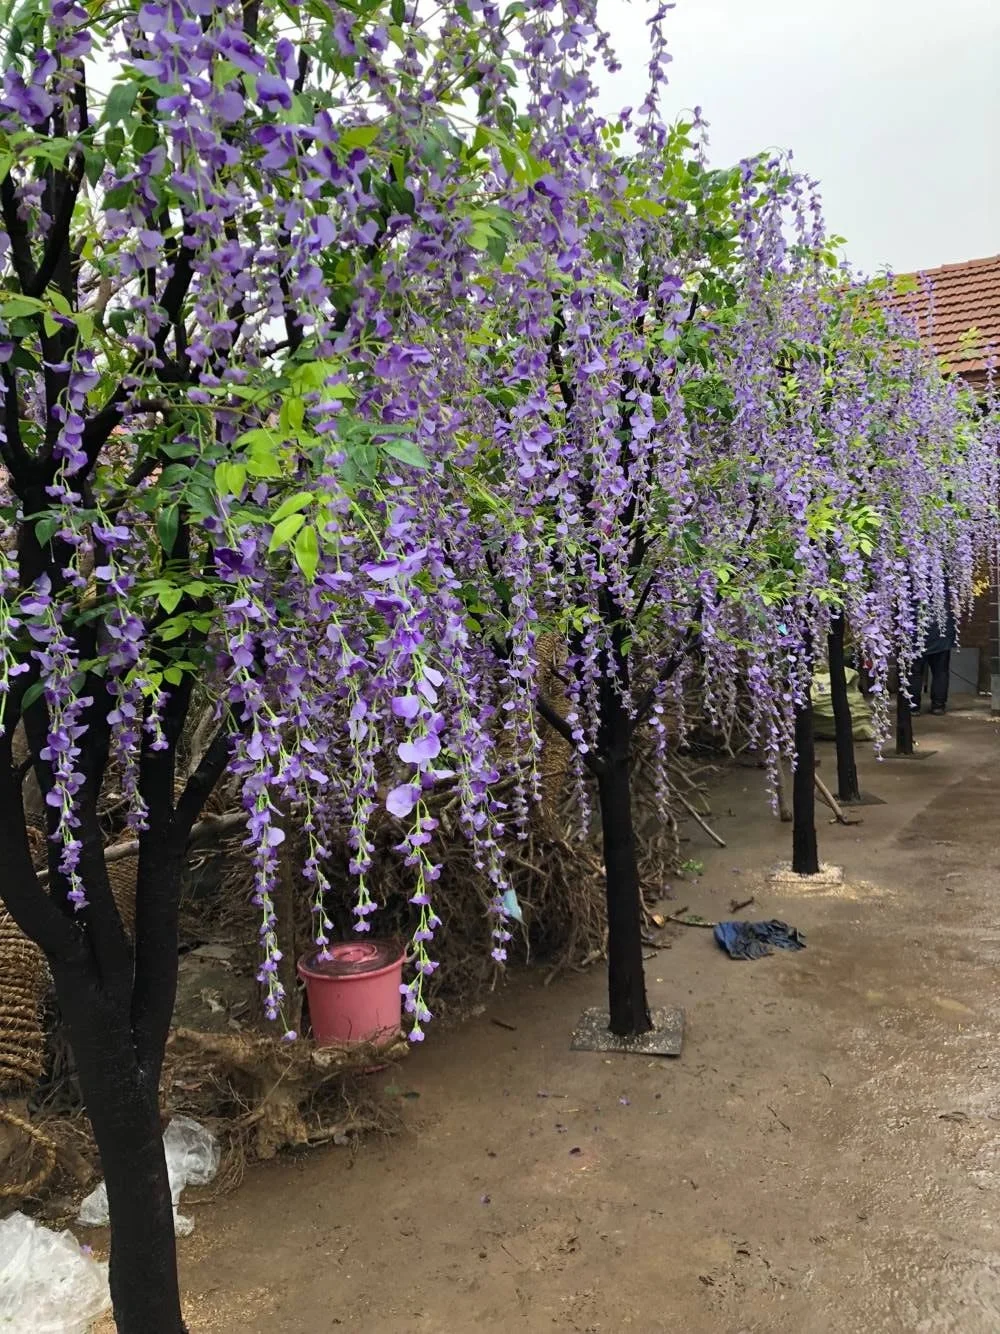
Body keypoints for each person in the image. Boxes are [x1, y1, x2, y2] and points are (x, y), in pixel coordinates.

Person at [910, 606, 957, 715]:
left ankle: (913, 707)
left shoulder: (912, 592)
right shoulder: (945, 593)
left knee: (914, 672)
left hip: (917, 635)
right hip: (941, 635)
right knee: (940, 672)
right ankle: (938, 706)